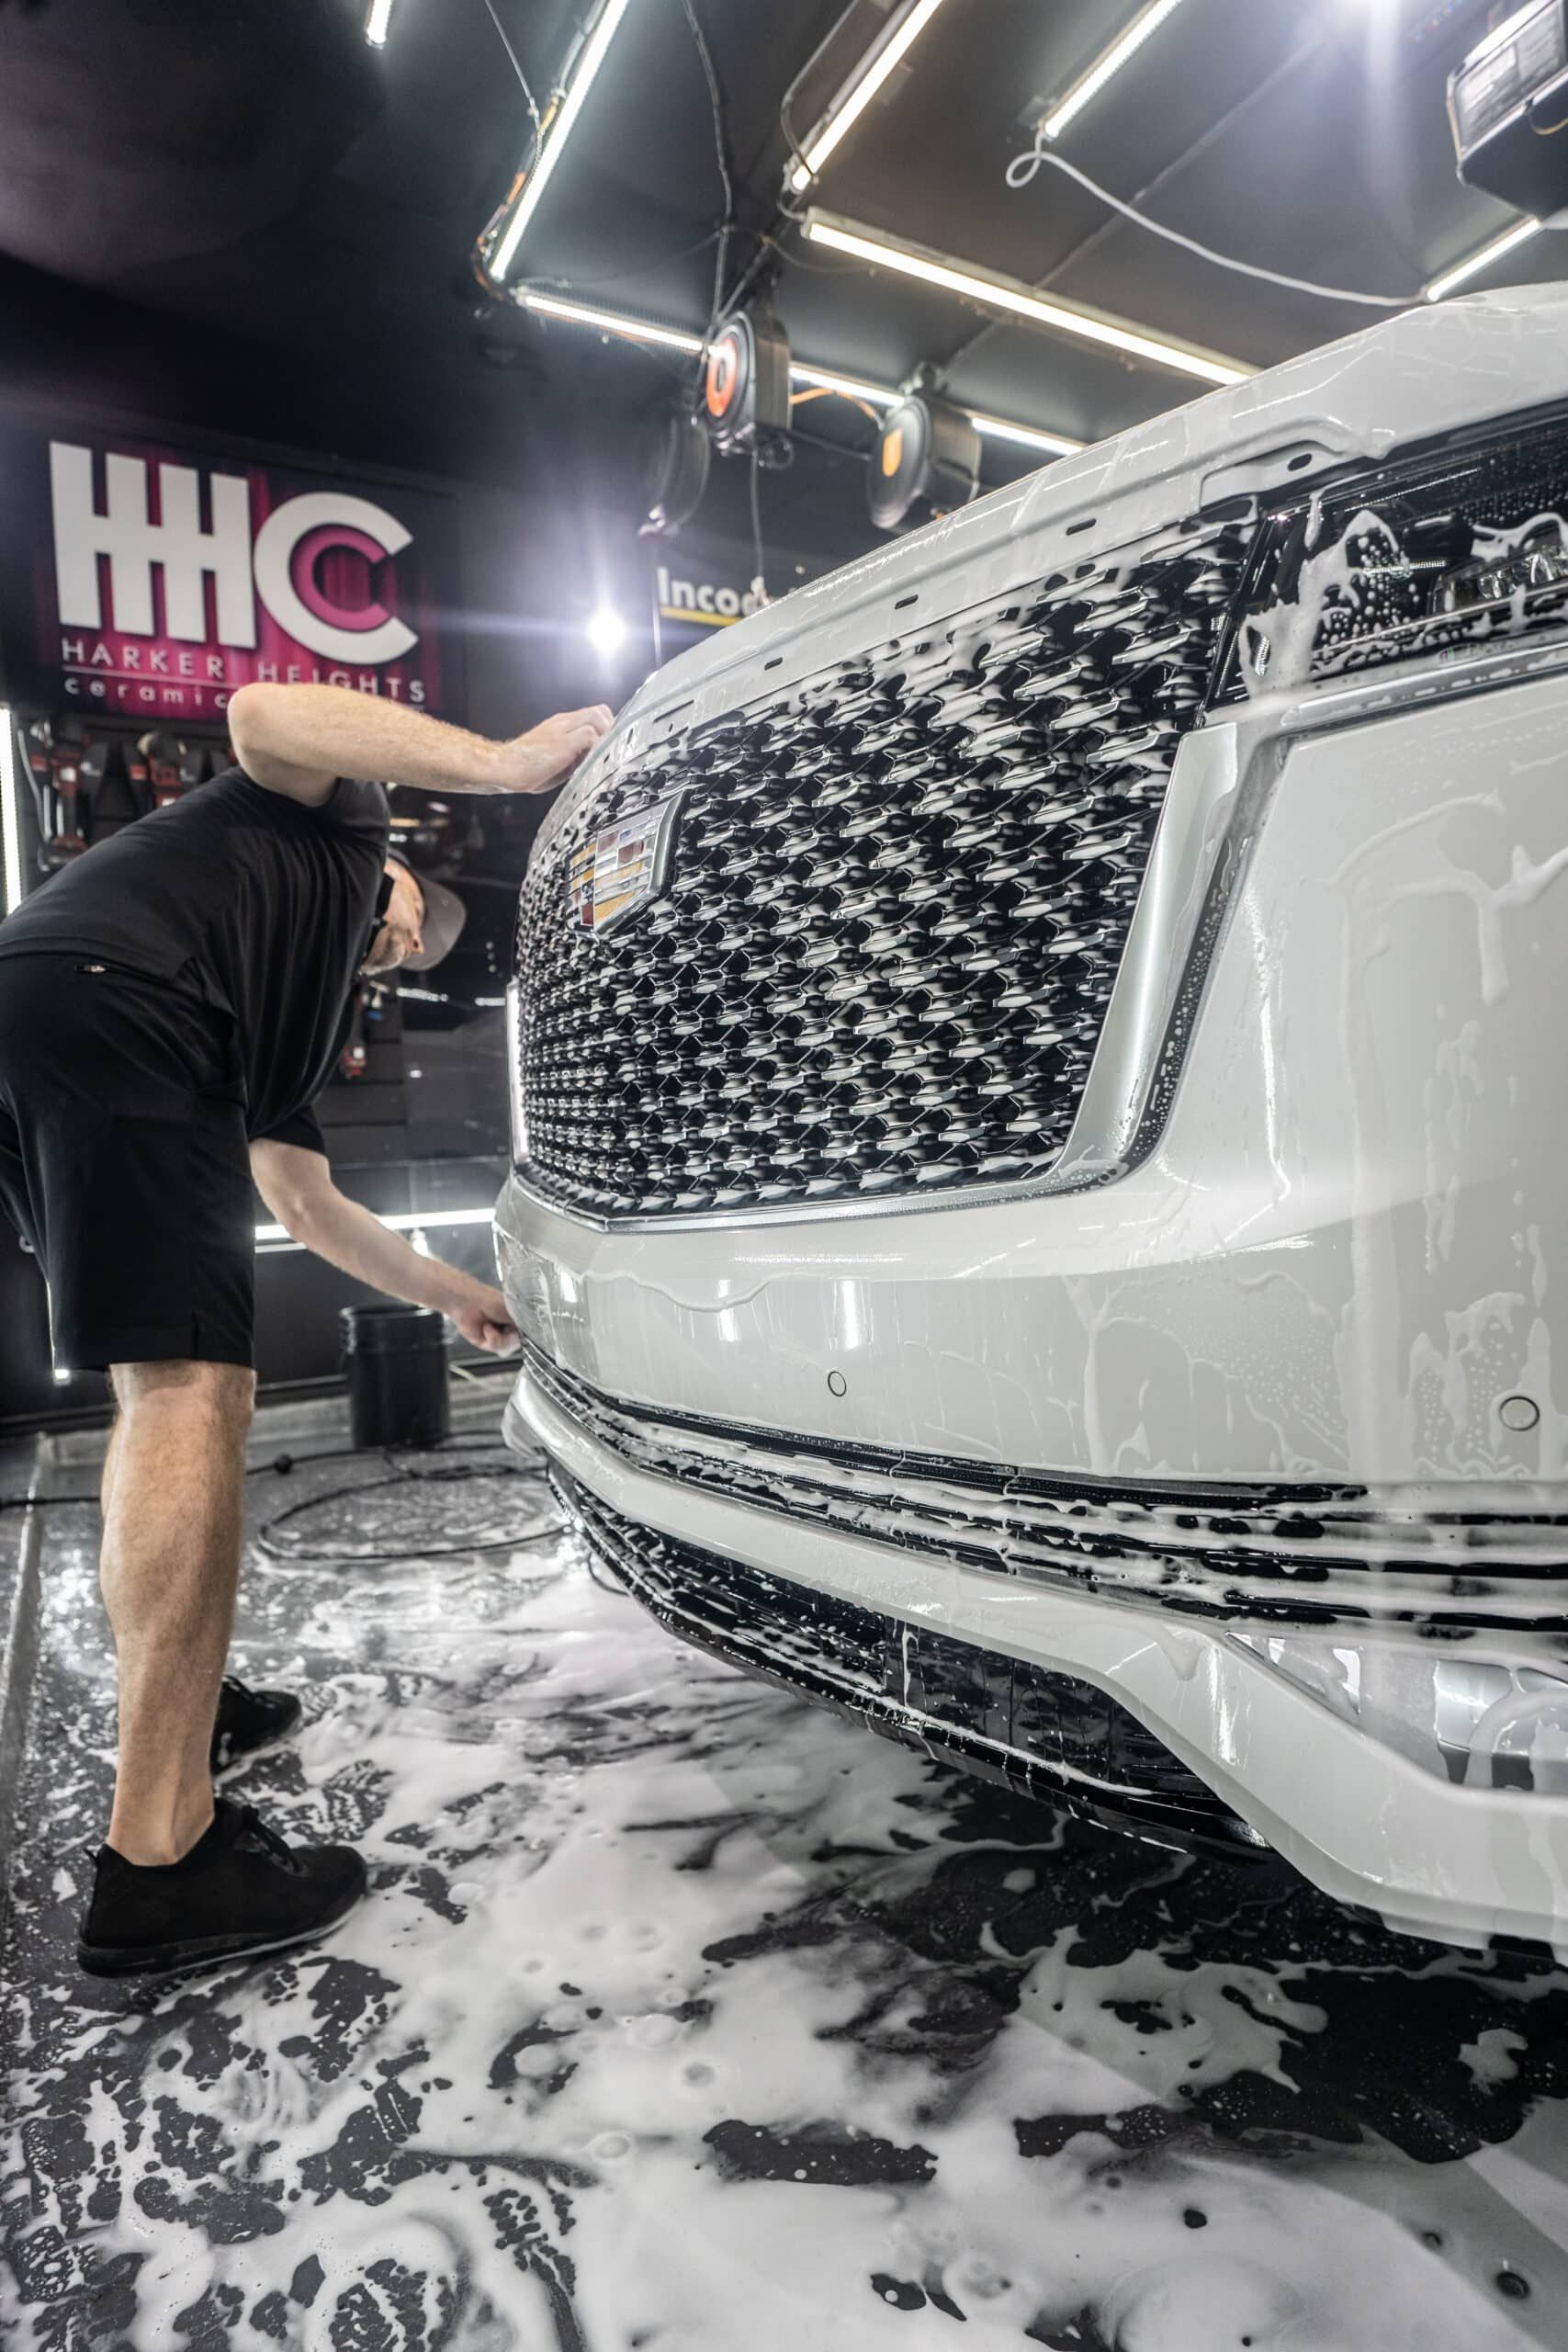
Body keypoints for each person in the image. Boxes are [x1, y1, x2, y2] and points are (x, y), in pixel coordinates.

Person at [0, 683, 613, 1976]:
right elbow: (266, 708)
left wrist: (455, 1297)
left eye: (394, 962)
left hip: (44, 1004)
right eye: (395, 931)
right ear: (390, 874)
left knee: (154, 1388)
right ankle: (162, 1862)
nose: (381, 953)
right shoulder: (339, 828)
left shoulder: (283, 1001)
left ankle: (187, 1714)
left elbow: (303, 1201)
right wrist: (507, 762)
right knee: (192, 1396)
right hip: (119, 997)